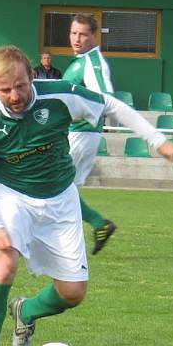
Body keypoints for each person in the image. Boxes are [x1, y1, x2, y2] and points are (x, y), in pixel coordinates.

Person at [0, 45, 173, 346]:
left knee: (73, 293)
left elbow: (111, 105)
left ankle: (26, 312)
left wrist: (156, 139)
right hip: (11, 196)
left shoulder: (60, 96)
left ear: (32, 75)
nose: (14, 95)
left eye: (20, 85)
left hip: (61, 198)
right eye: (5, 89)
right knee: (4, 262)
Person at [62, 13, 117, 254]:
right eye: (74, 33)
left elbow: (105, 100)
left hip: (81, 134)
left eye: (83, 34)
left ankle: (75, 237)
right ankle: (98, 224)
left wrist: (72, 115)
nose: (77, 38)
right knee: (65, 188)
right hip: (75, 133)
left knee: (60, 188)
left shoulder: (93, 63)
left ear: (94, 37)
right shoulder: (79, 60)